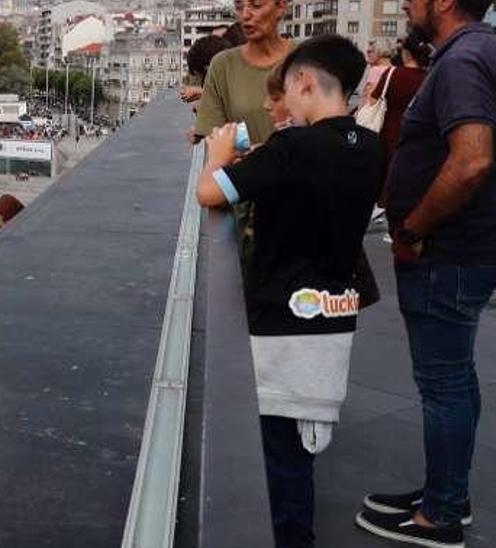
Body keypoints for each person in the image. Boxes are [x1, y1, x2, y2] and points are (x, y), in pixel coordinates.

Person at [195, 35, 381, 547]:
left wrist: (216, 154)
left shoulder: (293, 147)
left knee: (281, 469)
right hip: (333, 323)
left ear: (302, 82)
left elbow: (210, 192)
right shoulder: (369, 146)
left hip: (282, 327)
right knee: (298, 457)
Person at [358, 0, 496, 543]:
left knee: (443, 384)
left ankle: (440, 516)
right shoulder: (473, 52)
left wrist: (413, 229)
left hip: (447, 253)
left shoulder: (464, 60)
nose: (405, 4)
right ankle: (447, 493)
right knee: (456, 379)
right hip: (462, 251)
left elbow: (473, 159)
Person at [193, 0, 293, 145]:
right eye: (239, 7)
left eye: (256, 5)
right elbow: (211, 140)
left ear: (281, 6)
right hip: (245, 167)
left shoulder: (306, 58)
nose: (245, 15)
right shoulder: (223, 66)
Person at [366, 32, 433, 200]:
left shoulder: (392, 74)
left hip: (389, 139)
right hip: (418, 142)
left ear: (406, 52)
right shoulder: (430, 78)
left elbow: (373, 100)